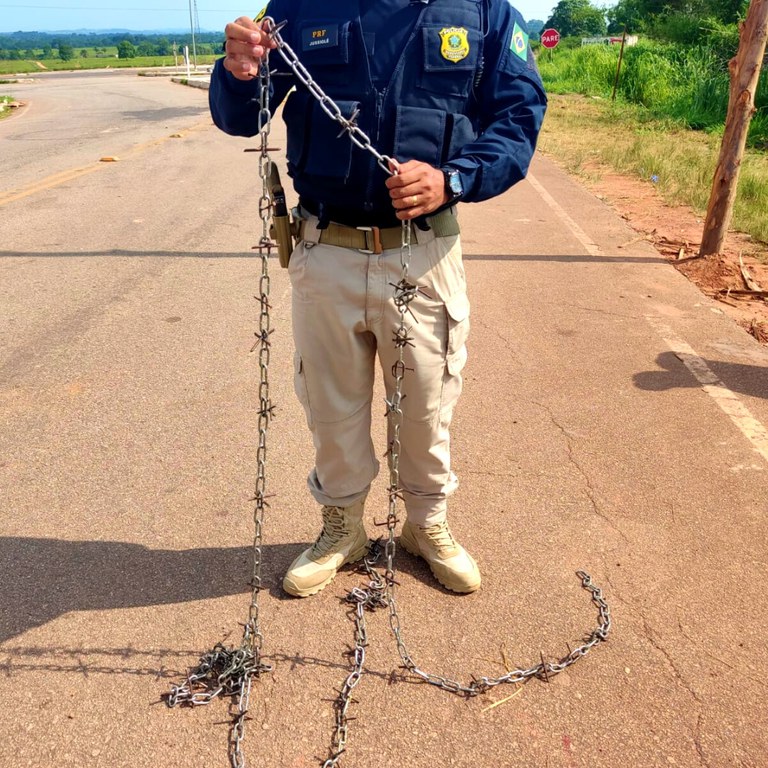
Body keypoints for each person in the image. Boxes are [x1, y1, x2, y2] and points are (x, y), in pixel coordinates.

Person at [210, 0, 547, 598]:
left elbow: (518, 117)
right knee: (330, 404)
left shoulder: (487, 11)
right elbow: (242, 117)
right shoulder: (296, 5)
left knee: (426, 404)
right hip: (326, 248)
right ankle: (341, 528)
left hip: (423, 252)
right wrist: (237, 72)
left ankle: (427, 525)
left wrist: (455, 179)